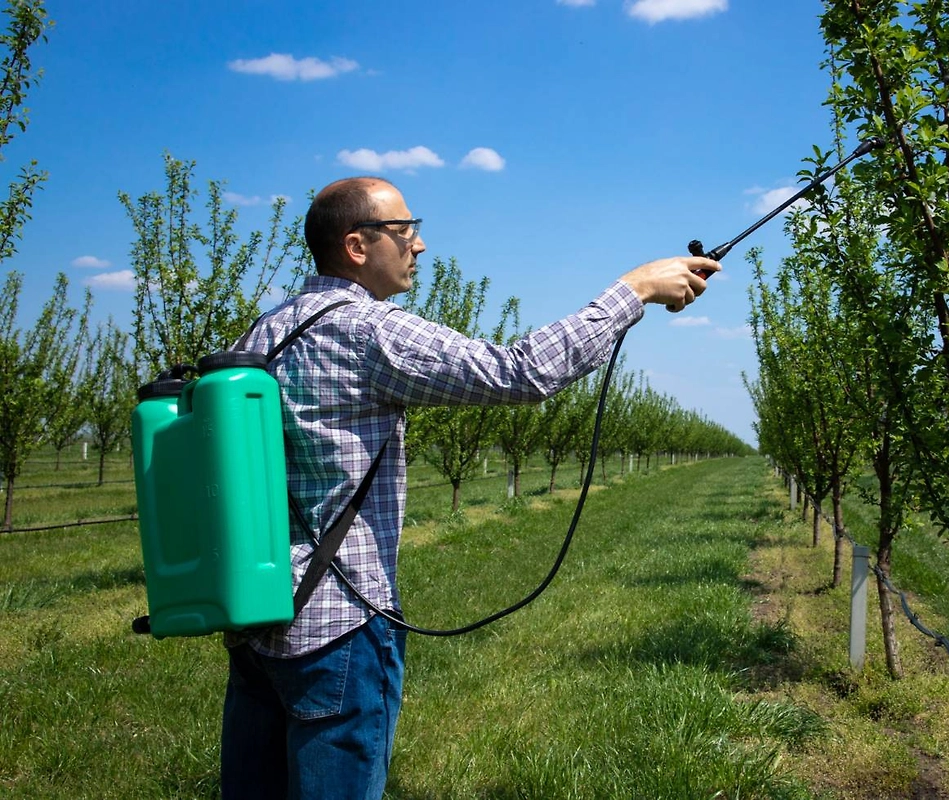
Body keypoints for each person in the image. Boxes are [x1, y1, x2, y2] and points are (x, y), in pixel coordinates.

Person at [220, 176, 719, 799]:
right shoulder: (369, 331)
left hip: (260, 613)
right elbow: (521, 372)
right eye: (405, 230)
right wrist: (633, 290)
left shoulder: (261, 336)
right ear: (356, 245)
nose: (420, 245)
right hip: (340, 626)